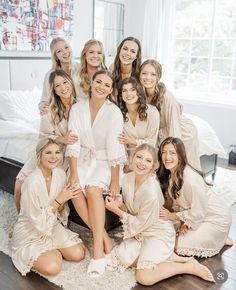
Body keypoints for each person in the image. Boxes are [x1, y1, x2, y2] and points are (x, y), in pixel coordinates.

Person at [105, 144, 215, 285]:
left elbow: (139, 221)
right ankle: (168, 257)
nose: (141, 163)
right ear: (132, 159)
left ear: (153, 166)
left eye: (148, 160)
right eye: (139, 157)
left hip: (158, 233)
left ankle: (187, 266)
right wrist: (121, 204)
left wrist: (115, 209)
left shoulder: (151, 190)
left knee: (144, 277)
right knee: (120, 257)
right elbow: (135, 210)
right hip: (142, 231)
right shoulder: (127, 179)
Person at [65, 69, 126, 277]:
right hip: (82, 159)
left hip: (105, 161)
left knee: (92, 190)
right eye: (98, 82)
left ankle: (98, 254)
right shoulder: (77, 108)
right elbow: (73, 144)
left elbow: (115, 150)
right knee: (74, 188)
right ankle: (106, 240)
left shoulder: (113, 112)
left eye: (107, 85)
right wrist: (73, 173)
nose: (101, 86)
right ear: (91, 83)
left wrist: (115, 182)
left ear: (110, 90)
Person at [11, 139, 85, 276]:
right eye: (48, 153)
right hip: (31, 231)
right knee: (52, 268)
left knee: (78, 253)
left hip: (51, 224)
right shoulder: (31, 182)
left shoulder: (60, 174)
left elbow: (60, 211)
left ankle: (51, 249)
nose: (54, 157)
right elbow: (37, 220)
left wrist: (65, 199)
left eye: (57, 152)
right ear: (39, 156)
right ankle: (50, 251)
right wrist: (60, 199)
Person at [14, 70, 79, 213]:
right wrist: (63, 139)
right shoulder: (50, 109)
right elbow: (44, 135)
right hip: (47, 150)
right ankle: (22, 219)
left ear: (71, 83)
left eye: (65, 82)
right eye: (57, 86)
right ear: (54, 90)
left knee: (54, 189)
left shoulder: (81, 107)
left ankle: (50, 221)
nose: (63, 87)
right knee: (19, 185)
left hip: (68, 155)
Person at [157, 137, 232, 257]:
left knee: (177, 245)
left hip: (216, 218)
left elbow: (198, 211)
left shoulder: (191, 180)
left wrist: (173, 216)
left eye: (172, 153)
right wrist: (184, 223)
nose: (167, 157)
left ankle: (218, 239)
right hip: (199, 215)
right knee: (168, 234)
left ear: (180, 156)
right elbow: (185, 205)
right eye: (164, 152)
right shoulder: (172, 174)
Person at [139, 59, 201, 169]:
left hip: (182, 130)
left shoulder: (167, 98)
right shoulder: (140, 93)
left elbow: (175, 129)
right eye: (144, 73)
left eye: (153, 74)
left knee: (179, 165)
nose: (148, 78)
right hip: (162, 130)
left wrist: (173, 150)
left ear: (158, 77)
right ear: (139, 74)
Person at [117, 76, 160, 172]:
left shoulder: (152, 113)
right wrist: (126, 164)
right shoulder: (118, 114)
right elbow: (120, 144)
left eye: (133, 89)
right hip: (127, 161)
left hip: (148, 157)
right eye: (124, 90)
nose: (128, 94)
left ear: (139, 92)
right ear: (121, 95)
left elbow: (152, 142)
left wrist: (131, 141)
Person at [39, 37, 80, 114]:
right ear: (55, 56)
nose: (65, 52)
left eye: (66, 47)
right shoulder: (50, 75)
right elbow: (45, 99)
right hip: (61, 114)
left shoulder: (81, 69)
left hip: (80, 112)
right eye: (59, 51)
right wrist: (42, 105)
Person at [111, 36, 142, 102]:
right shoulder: (111, 69)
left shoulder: (140, 74)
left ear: (136, 56)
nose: (127, 53)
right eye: (125, 49)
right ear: (119, 50)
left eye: (132, 51)